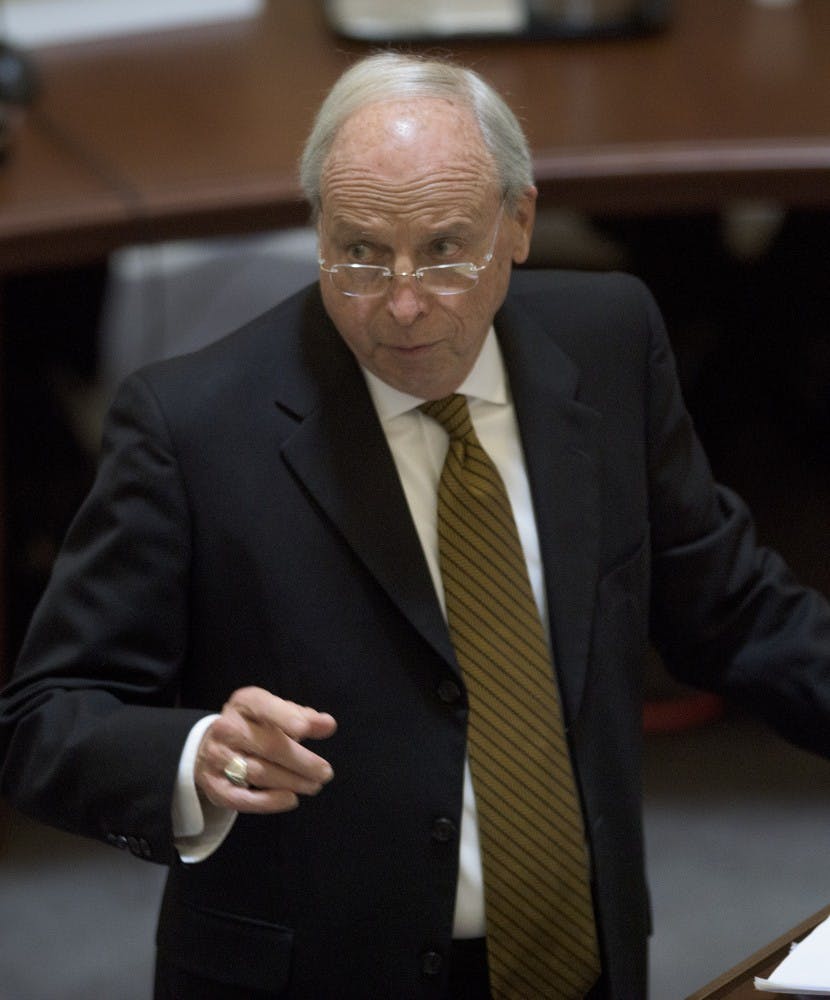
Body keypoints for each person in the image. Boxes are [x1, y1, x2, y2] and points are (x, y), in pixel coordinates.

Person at [1, 51, 829, 1000]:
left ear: (518, 222)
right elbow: (45, 718)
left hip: (580, 962)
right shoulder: (192, 427)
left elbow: (737, 611)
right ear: (317, 228)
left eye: (444, 249)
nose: (400, 302)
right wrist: (196, 753)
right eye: (358, 251)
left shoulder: (608, 342)